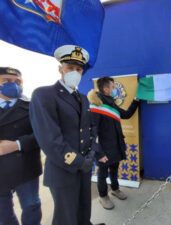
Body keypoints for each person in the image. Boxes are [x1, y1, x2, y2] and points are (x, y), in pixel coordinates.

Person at [29, 45, 105, 225]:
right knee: (66, 218)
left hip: (84, 167)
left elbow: (91, 129)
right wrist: (80, 161)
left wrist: (91, 155)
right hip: (63, 168)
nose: (75, 72)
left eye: (78, 69)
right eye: (70, 68)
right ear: (60, 69)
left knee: (84, 210)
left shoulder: (83, 98)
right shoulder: (44, 94)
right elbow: (49, 138)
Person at [87, 77, 139, 210]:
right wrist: (99, 153)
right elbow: (92, 134)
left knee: (115, 170)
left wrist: (136, 101)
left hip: (116, 146)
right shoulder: (95, 105)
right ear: (106, 89)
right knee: (102, 174)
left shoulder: (112, 104)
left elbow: (126, 114)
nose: (114, 89)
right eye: (113, 86)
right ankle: (103, 196)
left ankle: (115, 189)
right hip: (103, 149)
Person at [0, 67, 42, 225]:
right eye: (7, 81)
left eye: (18, 81)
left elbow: (43, 134)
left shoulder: (32, 106)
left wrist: (17, 145)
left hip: (26, 167)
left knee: (32, 205)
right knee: (3, 214)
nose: (14, 85)